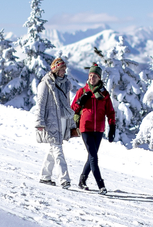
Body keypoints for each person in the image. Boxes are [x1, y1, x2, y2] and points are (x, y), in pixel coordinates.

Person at [72, 63, 116, 194]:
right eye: (90, 75)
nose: (92, 78)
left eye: (95, 76)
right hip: (85, 128)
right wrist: (80, 101)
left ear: (99, 78)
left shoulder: (104, 94)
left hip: (99, 129)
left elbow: (110, 112)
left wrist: (112, 126)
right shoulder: (82, 91)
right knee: (93, 157)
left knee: (92, 156)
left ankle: (82, 180)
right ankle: (101, 185)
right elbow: (73, 109)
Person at [35, 57, 75, 187]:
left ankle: (45, 176)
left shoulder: (65, 84)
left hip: (62, 121)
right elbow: (40, 104)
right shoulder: (45, 84)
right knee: (58, 149)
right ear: (56, 70)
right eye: (62, 69)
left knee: (53, 149)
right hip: (51, 121)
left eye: (65, 69)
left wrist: (71, 122)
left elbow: (67, 104)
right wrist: (40, 122)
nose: (64, 71)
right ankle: (64, 179)